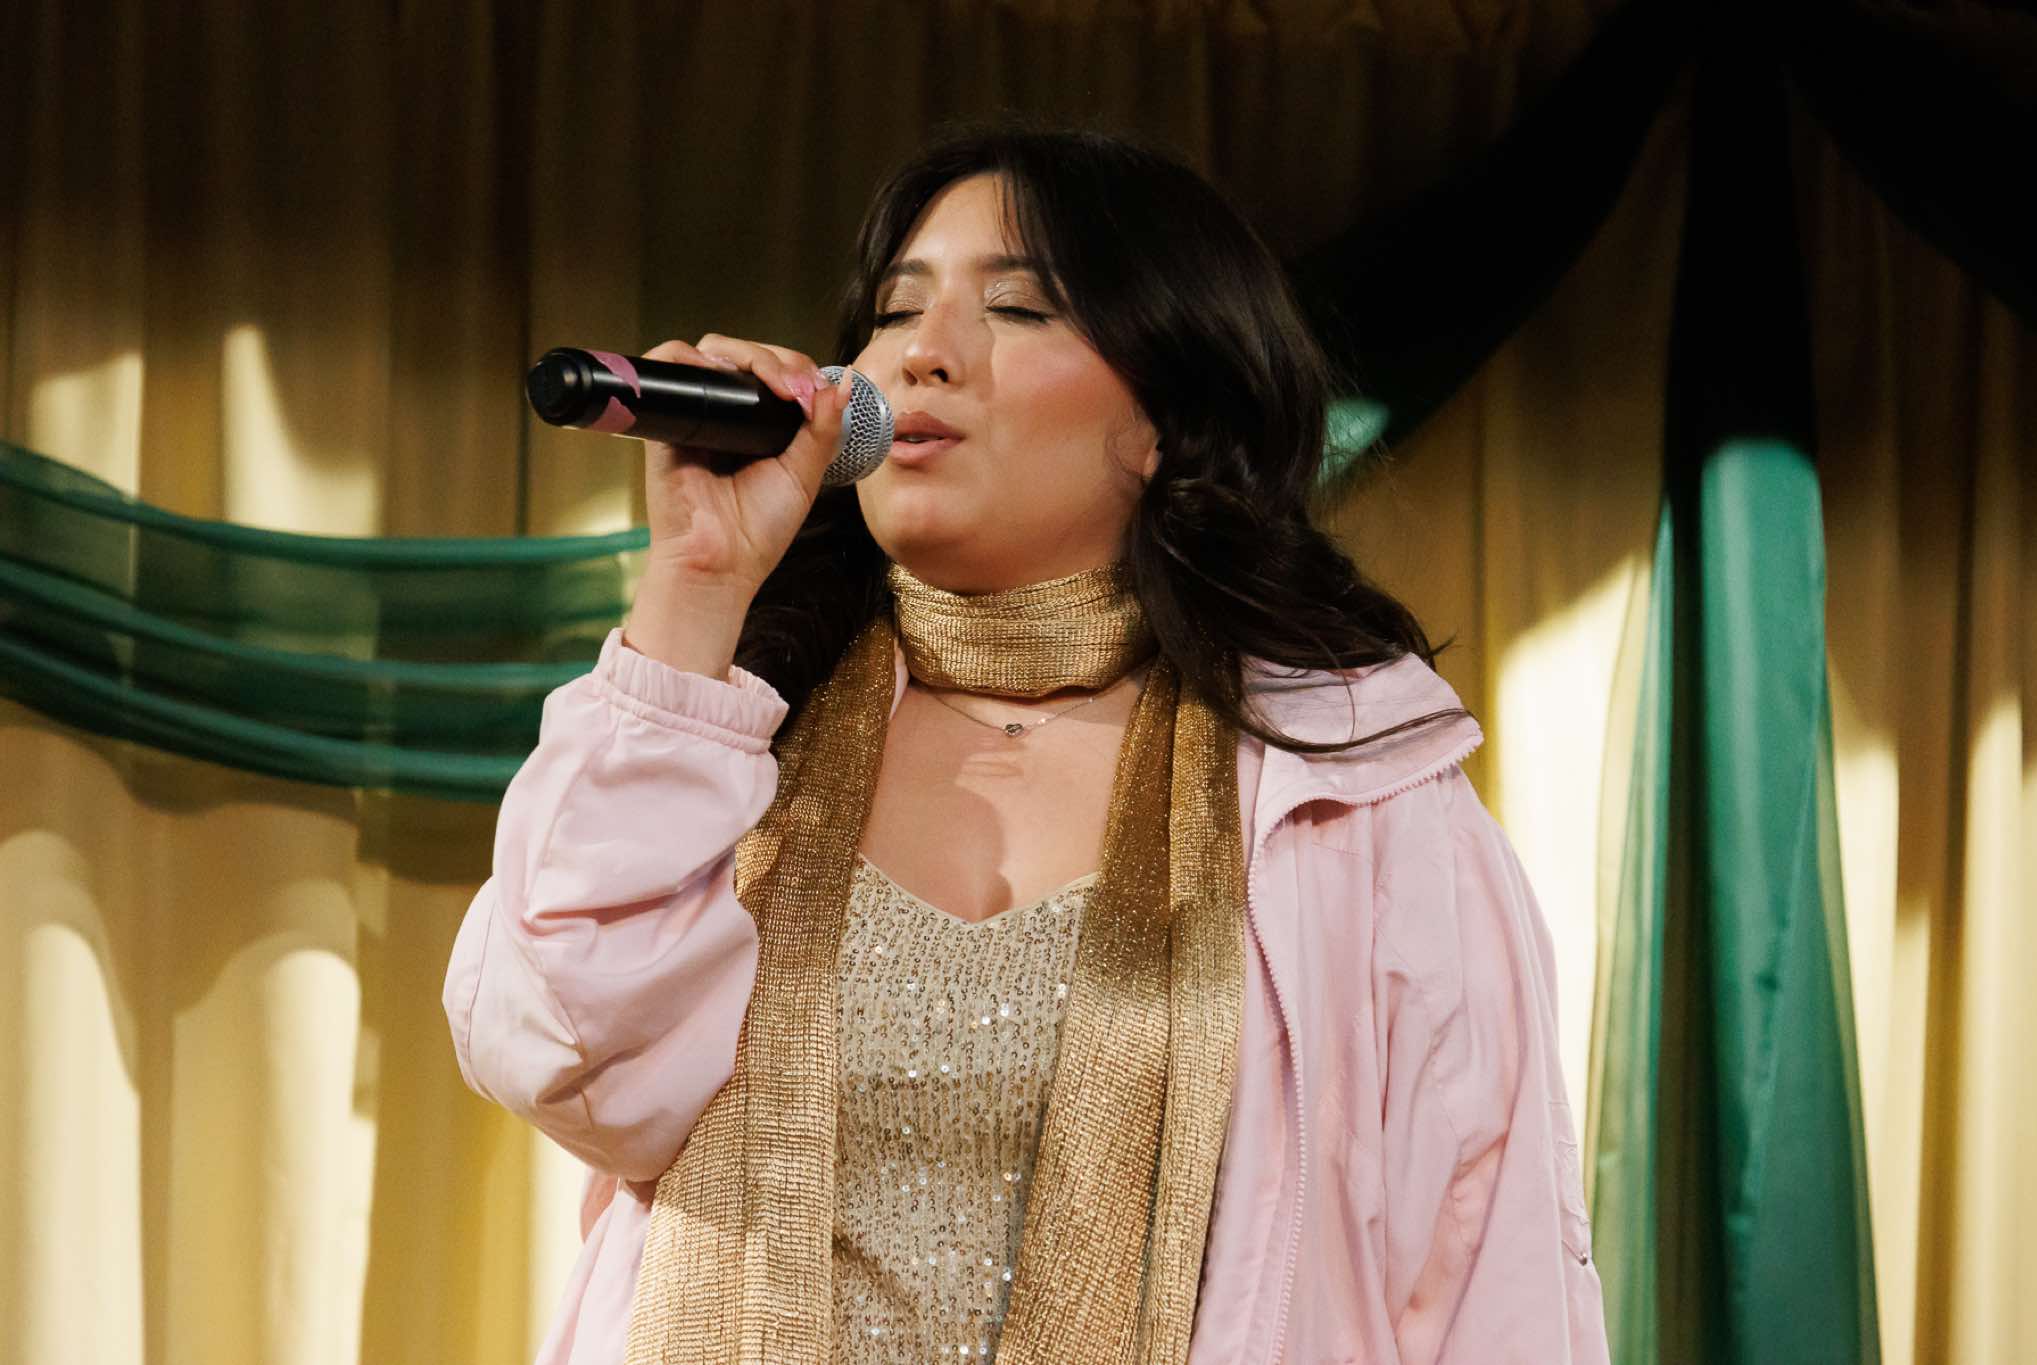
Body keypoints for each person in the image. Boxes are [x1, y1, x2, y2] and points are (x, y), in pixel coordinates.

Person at [444, 123, 1608, 1365]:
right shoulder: (735, 743)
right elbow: (557, 1049)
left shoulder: (1350, 795)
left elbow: (1486, 1279)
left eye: (1015, 308)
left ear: (1166, 417)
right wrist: (695, 587)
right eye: (894, 311)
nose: (922, 353)